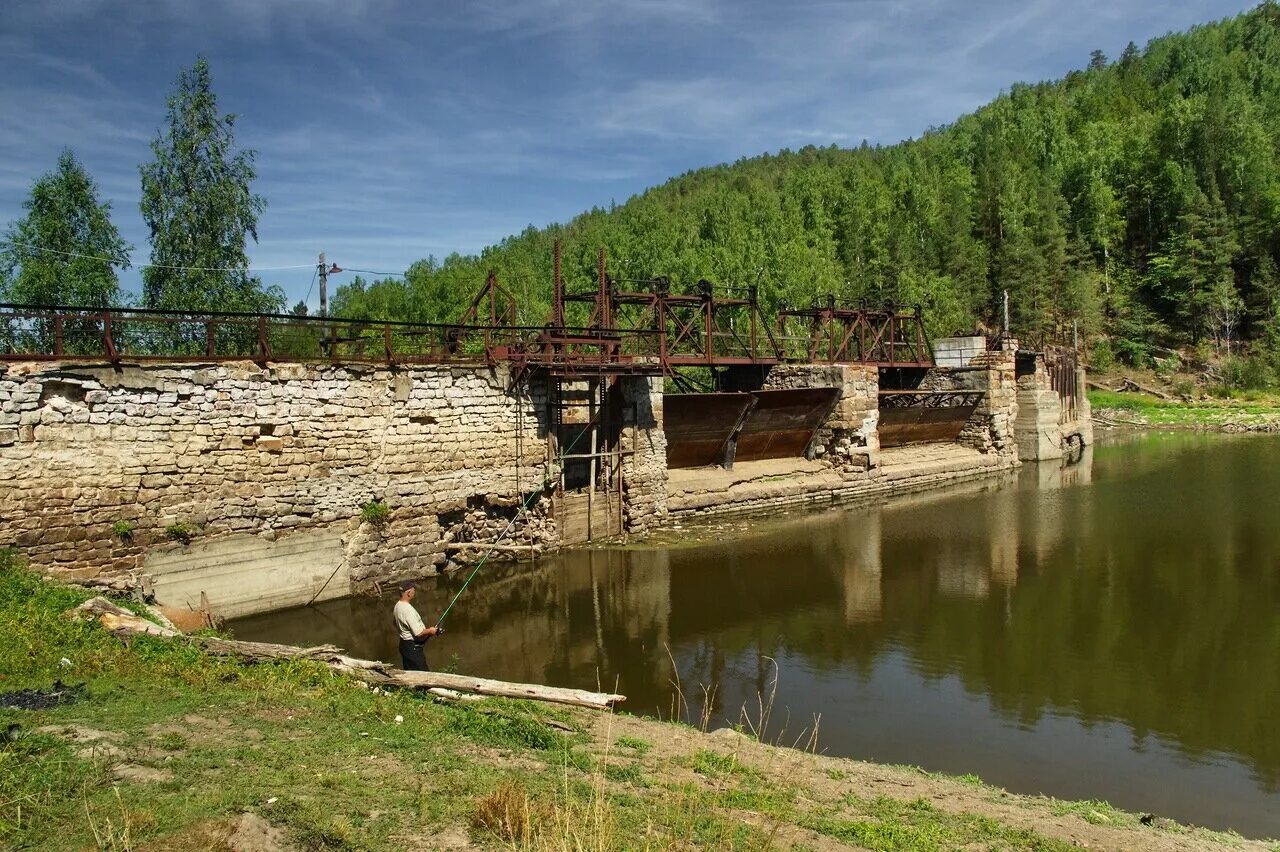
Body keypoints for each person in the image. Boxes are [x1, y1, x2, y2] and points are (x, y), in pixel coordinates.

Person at [393, 580, 441, 671]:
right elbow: (418, 633)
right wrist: (431, 631)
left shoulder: (397, 606)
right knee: (423, 676)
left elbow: (394, 624)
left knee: (410, 673)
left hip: (404, 645)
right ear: (408, 593)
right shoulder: (408, 610)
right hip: (412, 649)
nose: (414, 592)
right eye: (413, 590)